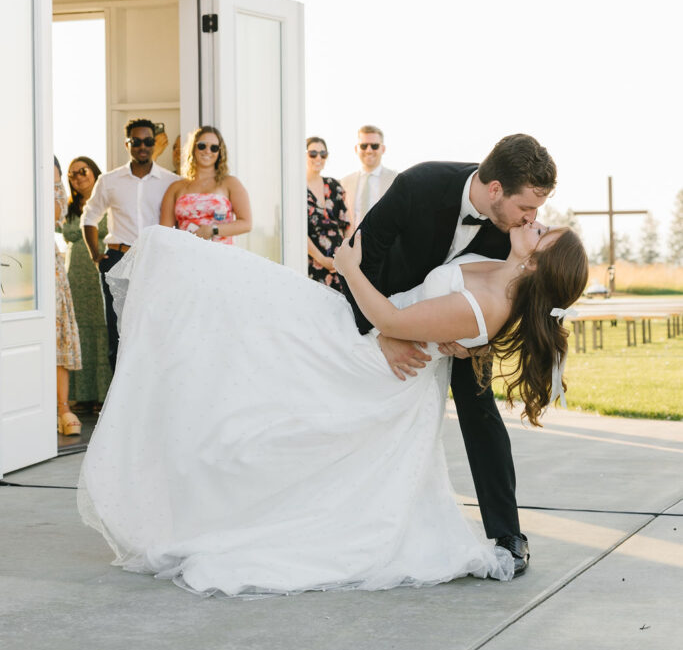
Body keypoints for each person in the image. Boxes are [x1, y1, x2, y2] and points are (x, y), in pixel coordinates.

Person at [78, 214, 587, 598]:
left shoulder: (489, 305)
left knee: (258, 356)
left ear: (538, 260)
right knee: (234, 306)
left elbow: (390, 317)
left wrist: (345, 266)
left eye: (544, 231)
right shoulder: (499, 268)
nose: (534, 221)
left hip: (377, 362)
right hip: (372, 339)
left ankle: (207, 492)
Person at [340, 133, 558, 577]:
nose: (532, 219)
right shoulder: (421, 184)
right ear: (495, 189)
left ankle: (507, 533)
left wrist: (476, 338)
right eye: (526, 207)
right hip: (384, 308)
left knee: (479, 406)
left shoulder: (513, 233)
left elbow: (510, 295)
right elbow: (360, 253)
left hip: (458, 324)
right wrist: (382, 332)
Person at [81, 120, 177, 370]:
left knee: (156, 329)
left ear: (155, 144)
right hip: (117, 259)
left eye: (148, 141)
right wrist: (95, 255)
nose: (142, 146)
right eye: (136, 141)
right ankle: (118, 404)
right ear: (128, 144)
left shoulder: (171, 181)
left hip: (156, 262)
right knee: (118, 333)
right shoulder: (109, 180)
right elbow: (89, 217)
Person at [63, 157, 112, 411]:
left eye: (82, 171)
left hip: (99, 271)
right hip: (75, 276)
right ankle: (83, 396)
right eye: (72, 175)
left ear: (94, 173)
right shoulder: (69, 207)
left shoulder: (106, 200)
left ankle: (103, 396)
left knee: (102, 330)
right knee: (81, 332)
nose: (78, 177)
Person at [160, 126, 252, 244]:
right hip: (186, 255)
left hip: (221, 256)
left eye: (214, 148)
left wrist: (212, 229)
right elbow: (164, 232)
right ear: (193, 148)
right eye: (202, 145)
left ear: (220, 152)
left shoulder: (230, 183)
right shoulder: (176, 188)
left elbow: (246, 223)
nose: (207, 151)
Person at [54, 158, 82, 436]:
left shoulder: (56, 190)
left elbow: (54, 215)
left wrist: (51, 181)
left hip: (53, 268)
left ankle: (63, 407)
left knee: (59, 333)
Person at [306, 137, 350, 293]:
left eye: (323, 154)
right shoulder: (297, 188)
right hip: (312, 262)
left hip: (339, 261)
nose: (318, 158)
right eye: (313, 153)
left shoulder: (334, 185)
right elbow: (298, 232)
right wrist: (322, 260)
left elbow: (347, 225)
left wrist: (345, 256)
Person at [341, 125, 398, 230]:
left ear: (383, 149)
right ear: (356, 149)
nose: (369, 150)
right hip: (352, 243)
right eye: (363, 146)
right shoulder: (344, 183)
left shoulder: (396, 180)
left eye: (374, 146)